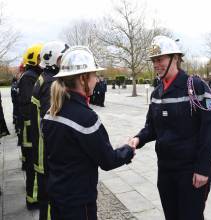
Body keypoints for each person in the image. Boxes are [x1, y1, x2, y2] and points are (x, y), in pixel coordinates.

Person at [129, 35, 211, 220]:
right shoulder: (157, 92)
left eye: (160, 59)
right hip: (166, 170)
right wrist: (138, 139)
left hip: (191, 172)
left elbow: (209, 132)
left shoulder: (197, 87)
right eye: (153, 60)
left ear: (175, 58)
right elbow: (151, 127)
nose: (155, 64)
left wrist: (203, 169)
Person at [42, 46, 135, 220]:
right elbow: (108, 160)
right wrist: (128, 149)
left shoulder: (51, 112)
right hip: (78, 203)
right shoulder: (86, 118)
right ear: (83, 78)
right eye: (94, 75)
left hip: (57, 196)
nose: (97, 80)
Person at [30, 41, 69, 220]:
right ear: (53, 59)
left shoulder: (44, 78)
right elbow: (53, 121)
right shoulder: (51, 84)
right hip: (46, 151)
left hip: (42, 146)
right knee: (50, 199)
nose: (66, 61)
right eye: (63, 57)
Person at [17, 43, 43, 210]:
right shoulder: (29, 76)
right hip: (30, 128)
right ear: (33, 58)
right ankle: (32, 200)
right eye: (40, 57)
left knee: (33, 163)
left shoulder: (32, 74)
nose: (43, 60)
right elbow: (27, 105)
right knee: (33, 165)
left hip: (31, 127)